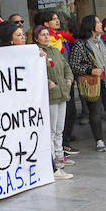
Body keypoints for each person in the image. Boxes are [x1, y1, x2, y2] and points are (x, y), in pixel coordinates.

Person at [69, 15, 106, 152]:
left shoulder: (103, 42)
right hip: (93, 82)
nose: (100, 24)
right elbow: (74, 65)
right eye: (98, 22)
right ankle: (99, 140)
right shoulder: (81, 44)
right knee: (95, 112)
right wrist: (90, 70)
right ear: (90, 26)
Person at [34, 25, 74, 178]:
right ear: (37, 38)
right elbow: (37, 73)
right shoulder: (37, 53)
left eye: (47, 34)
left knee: (59, 130)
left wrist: (69, 79)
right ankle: (53, 163)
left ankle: (59, 158)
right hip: (51, 96)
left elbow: (66, 67)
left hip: (62, 93)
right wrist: (49, 82)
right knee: (51, 131)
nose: (46, 37)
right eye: (42, 35)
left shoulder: (55, 51)